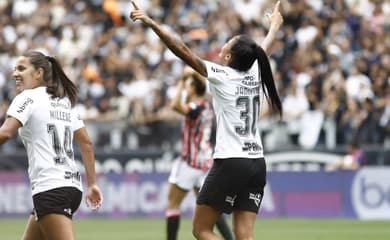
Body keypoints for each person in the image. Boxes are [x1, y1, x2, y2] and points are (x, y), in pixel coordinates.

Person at [130, 1, 283, 239]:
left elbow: (183, 51)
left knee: (200, 229)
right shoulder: (255, 71)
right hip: (256, 163)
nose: (221, 48)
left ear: (229, 56)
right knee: (245, 236)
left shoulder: (223, 75)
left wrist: (153, 24)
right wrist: (274, 26)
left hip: (230, 161)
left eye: (226, 45)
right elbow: (264, 47)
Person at [0, 51, 103, 240]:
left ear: (39, 73)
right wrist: (93, 183)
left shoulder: (27, 98)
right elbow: (86, 143)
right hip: (72, 187)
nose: (15, 73)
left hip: (51, 188)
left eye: (21, 68)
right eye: (14, 69)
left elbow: (6, 132)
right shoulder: (63, 101)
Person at [167, 67, 232, 240]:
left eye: (188, 86)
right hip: (206, 164)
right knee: (209, 208)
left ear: (194, 88)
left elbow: (174, 105)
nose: (185, 89)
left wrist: (182, 80)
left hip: (190, 163)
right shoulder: (208, 107)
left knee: (172, 205)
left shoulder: (195, 107)